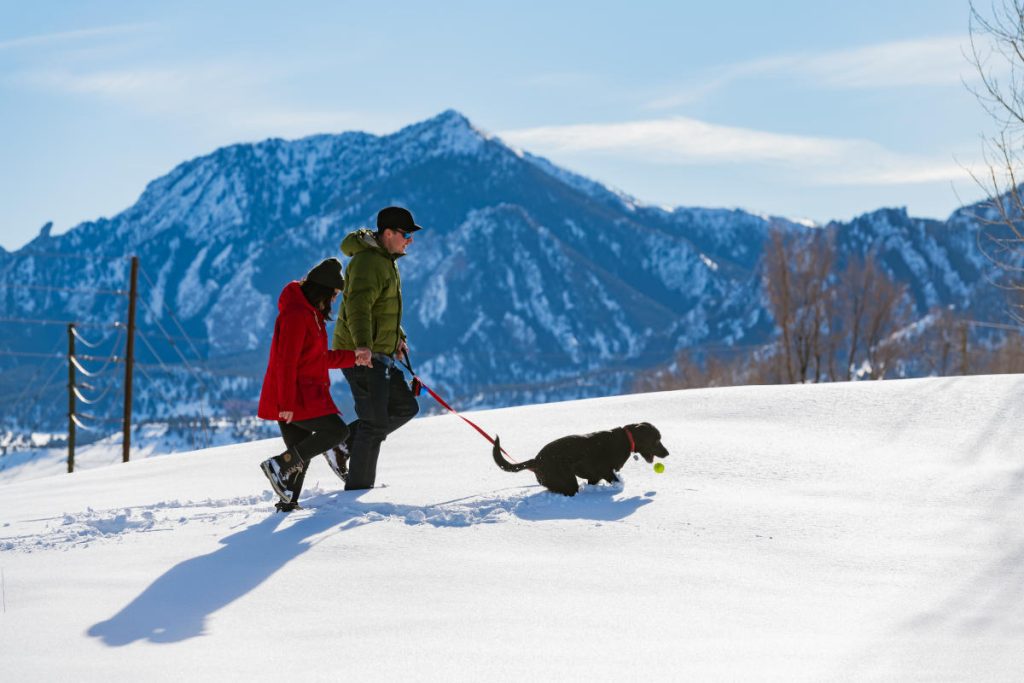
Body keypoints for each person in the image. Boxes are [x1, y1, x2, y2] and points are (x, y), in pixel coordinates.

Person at [257, 257, 368, 509]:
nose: (335, 299)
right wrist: (285, 403)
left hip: (302, 394)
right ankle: (279, 465)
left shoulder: (312, 315)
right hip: (293, 397)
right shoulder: (297, 315)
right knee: (337, 431)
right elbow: (286, 362)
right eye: (335, 293)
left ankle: (287, 501)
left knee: (299, 453)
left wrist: (355, 358)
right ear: (324, 289)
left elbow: (319, 358)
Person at [330, 206, 422, 490]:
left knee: (405, 406)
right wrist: (362, 347)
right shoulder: (369, 262)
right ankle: (358, 490)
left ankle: (344, 443)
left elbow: (383, 309)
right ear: (388, 233)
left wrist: (398, 337)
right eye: (406, 234)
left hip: (379, 354)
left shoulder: (386, 260)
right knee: (375, 423)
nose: (410, 240)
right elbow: (358, 306)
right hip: (362, 357)